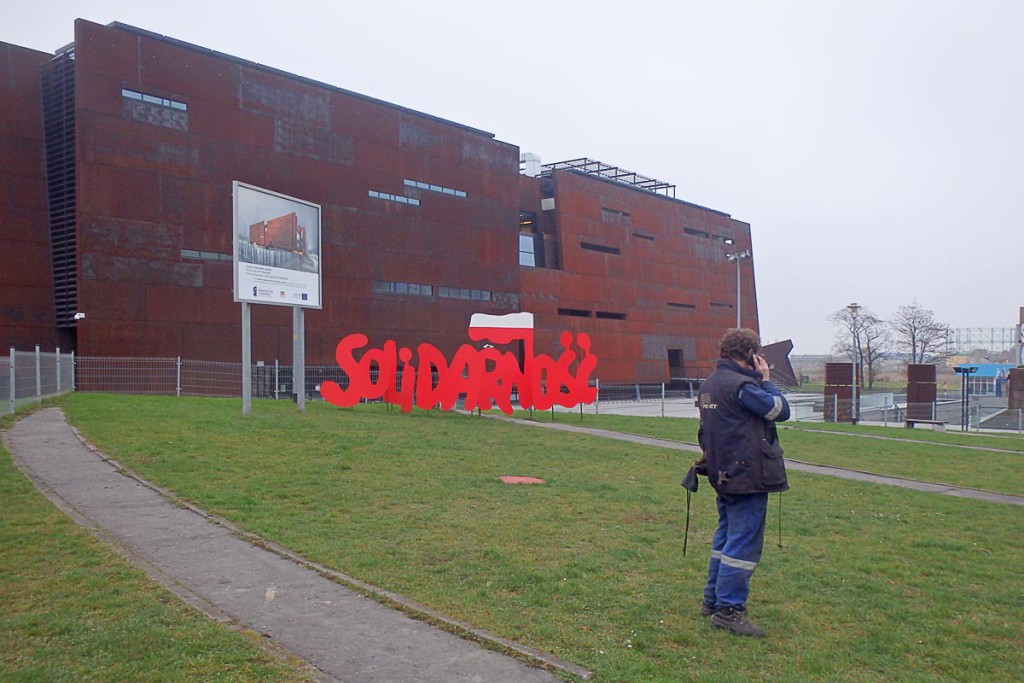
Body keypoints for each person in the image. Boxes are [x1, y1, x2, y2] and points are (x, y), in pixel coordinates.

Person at [695, 328, 790, 637]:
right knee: (742, 544)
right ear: (751, 354)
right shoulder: (743, 386)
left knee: (725, 539)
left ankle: (712, 601)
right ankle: (729, 609)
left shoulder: (710, 384)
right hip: (747, 476)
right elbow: (780, 411)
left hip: (722, 473)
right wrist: (766, 380)